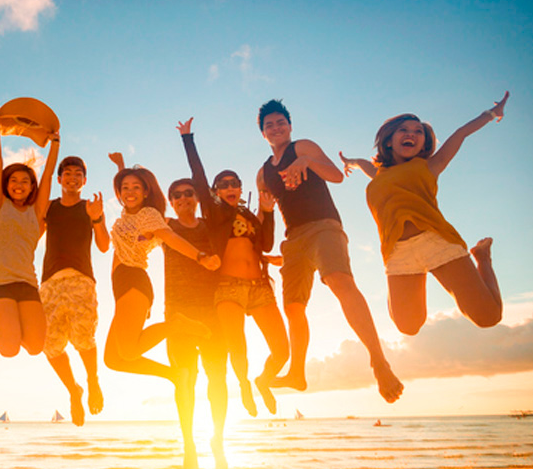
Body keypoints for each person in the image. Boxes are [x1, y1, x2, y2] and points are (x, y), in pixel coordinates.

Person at [255, 99, 403, 403]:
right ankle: (297, 373)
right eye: (269, 125)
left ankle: (379, 362)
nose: (276, 128)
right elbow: (265, 219)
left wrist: (306, 163)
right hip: (293, 239)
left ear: (290, 126)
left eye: (280, 122)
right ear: (263, 133)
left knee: (339, 281)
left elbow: (336, 176)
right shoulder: (262, 174)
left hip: (323, 225)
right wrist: (265, 215)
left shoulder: (303, 147)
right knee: (293, 308)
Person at [339, 93, 508, 336]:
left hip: (437, 242)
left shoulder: (430, 166)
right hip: (398, 253)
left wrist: (491, 114)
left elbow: (460, 133)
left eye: (418, 132)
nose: (411, 134)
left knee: (488, 317)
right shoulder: (378, 174)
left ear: (424, 143)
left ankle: (482, 257)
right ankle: (417, 278)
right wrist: (349, 162)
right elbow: (362, 162)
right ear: (388, 141)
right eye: (403, 130)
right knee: (408, 327)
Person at [176, 118, 290, 418]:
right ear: (215, 191)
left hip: (260, 288)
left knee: (282, 351)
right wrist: (188, 138)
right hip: (228, 288)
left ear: (240, 188)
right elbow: (198, 177)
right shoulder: (214, 212)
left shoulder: (251, 216)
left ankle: (263, 381)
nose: (230, 187)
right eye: (223, 185)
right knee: (238, 348)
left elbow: (265, 245)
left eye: (234, 183)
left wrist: (267, 212)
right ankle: (243, 384)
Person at [103, 153, 220, 382]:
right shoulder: (128, 215)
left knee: (128, 351)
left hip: (133, 281)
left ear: (146, 192)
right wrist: (121, 167)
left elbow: (171, 238)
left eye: (136, 187)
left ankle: (177, 324)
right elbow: (123, 191)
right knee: (113, 359)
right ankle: (174, 375)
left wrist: (200, 257)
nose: (129, 192)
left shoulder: (149, 215)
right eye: (125, 188)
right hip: (121, 287)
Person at [162, 177, 232, 469]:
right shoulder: (166, 228)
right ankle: (189, 446)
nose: (183, 198)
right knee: (185, 383)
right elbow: (136, 211)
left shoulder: (211, 227)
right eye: (176, 195)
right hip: (178, 316)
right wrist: (123, 169)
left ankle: (217, 438)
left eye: (188, 193)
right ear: (171, 202)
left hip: (213, 313)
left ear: (197, 197)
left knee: (218, 378)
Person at [40, 156, 109, 426]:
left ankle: (92, 380)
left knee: (84, 338)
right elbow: (32, 236)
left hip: (81, 279)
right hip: (50, 282)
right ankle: (74, 389)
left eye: (78, 174)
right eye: (67, 173)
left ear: (84, 180)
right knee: (49, 344)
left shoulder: (89, 207)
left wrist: (97, 218)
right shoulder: (48, 207)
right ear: (59, 180)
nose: (72, 177)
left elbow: (104, 246)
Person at [0, 118, 59, 357]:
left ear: (31, 187)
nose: (19, 184)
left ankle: (9, 321)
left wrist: (55, 142)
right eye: (13, 179)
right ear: (6, 184)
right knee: (9, 350)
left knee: (36, 348)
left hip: (27, 283)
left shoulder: (37, 214)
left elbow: (47, 176)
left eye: (25, 181)